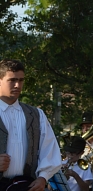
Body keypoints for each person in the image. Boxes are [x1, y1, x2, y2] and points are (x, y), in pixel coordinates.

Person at [0, 59, 61, 191]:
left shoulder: (36, 115)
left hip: (27, 186)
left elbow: (49, 148)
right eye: (12, 80)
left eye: (21, 80)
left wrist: (43, 177)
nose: (17, 85)